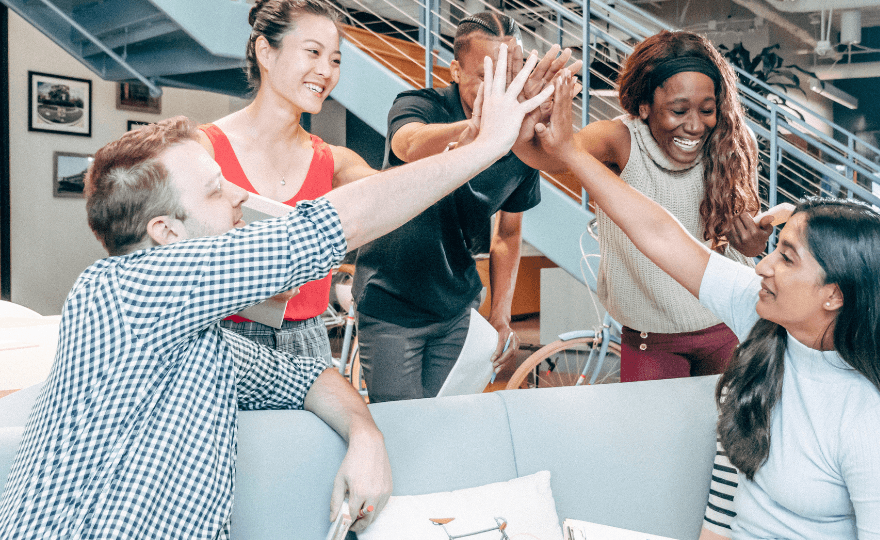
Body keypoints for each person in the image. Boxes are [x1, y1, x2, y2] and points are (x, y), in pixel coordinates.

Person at [0, 45, 552, 540]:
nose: (237, 199)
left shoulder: (196, 340)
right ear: (167, 233)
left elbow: (307, 376)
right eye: (215, 191)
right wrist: (486, 144)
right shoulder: (119, 291)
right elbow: (331, 227)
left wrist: (365, 432)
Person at [533, 75, 880, 539]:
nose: (761, 266)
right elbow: (660, 234)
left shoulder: (870, 422)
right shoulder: (762, 319)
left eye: (786, 256)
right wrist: (569, 152)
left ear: (834, 295)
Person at [514, 30, 770, 382]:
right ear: (644, 106)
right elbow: (547, 155)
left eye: (707, 110)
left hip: (731, 325)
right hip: (652, 338)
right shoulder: (619, 139)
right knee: (651, 436)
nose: (695, 125)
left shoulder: (732, 143)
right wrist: (527, 116)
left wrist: (754, 244)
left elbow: (747, 245)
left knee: (726, 435)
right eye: (678, 110)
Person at [351, 12, 577, 402]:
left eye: (510, 75)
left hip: (456, 308)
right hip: (391, 303)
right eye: (484, 77)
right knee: (404, 428)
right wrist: (475, 134)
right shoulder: (421, 104)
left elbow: (508, 234)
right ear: (455, 70)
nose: (498, 90)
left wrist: (501, 315)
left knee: (447, 425)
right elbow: (407, 143)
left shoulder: (522, 142)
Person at [197, 0, 379, 359]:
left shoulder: (335, 162)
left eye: (335, 60)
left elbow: (399, 197)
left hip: (309, 342)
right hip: (220, 338)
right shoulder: (203, 149)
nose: (326, 71)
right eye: (313, 52)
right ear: (265, 51)